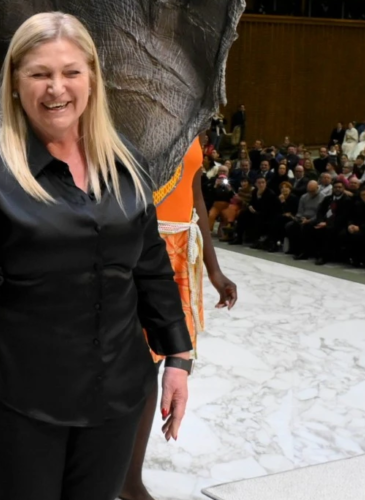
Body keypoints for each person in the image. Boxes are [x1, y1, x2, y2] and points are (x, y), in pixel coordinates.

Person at [0, 12, 191, 500]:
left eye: (70, 72)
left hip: (118, 390)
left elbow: (150, 267)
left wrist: (179, 358)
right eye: (39, 73)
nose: (56, 88)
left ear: (92, 79)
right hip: (23, 396)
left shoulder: (125, 162)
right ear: (15, 84)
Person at [120, 135, 237, 500]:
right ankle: (110, 469)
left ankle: (128, 477)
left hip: (180, 249)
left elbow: (195, 194)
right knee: (127, 360)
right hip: (138, 245)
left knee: (156, 363)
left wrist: (214, 269)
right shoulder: (126, 111)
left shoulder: (192, 121)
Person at [284, 181, 322, 257]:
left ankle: (305, 251)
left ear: (317, 188)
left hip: (315, 219)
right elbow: (300, 211)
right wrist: (299, 218)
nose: (310, 193)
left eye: (312, 191)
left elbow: (320, 214)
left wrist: (309, 220)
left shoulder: (323, 198)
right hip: (303, 218)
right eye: (309, 191)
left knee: (305, 227)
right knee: (290, 225)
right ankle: (294, 248)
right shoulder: (304, 197)